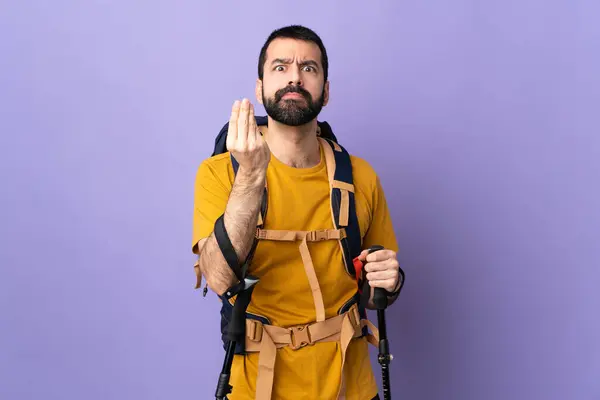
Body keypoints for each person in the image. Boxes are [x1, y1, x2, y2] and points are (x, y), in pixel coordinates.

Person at [192, 25, 402, 400]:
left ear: (326, 90)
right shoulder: (221, 172)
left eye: (309, 68)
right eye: (280, 67)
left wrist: (391, 280)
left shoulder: (360, 177)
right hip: (257, 387)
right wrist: (252, 175)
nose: (294, 76)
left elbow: (374, 292)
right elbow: (221, 278)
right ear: (259, 89)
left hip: (349, 385)